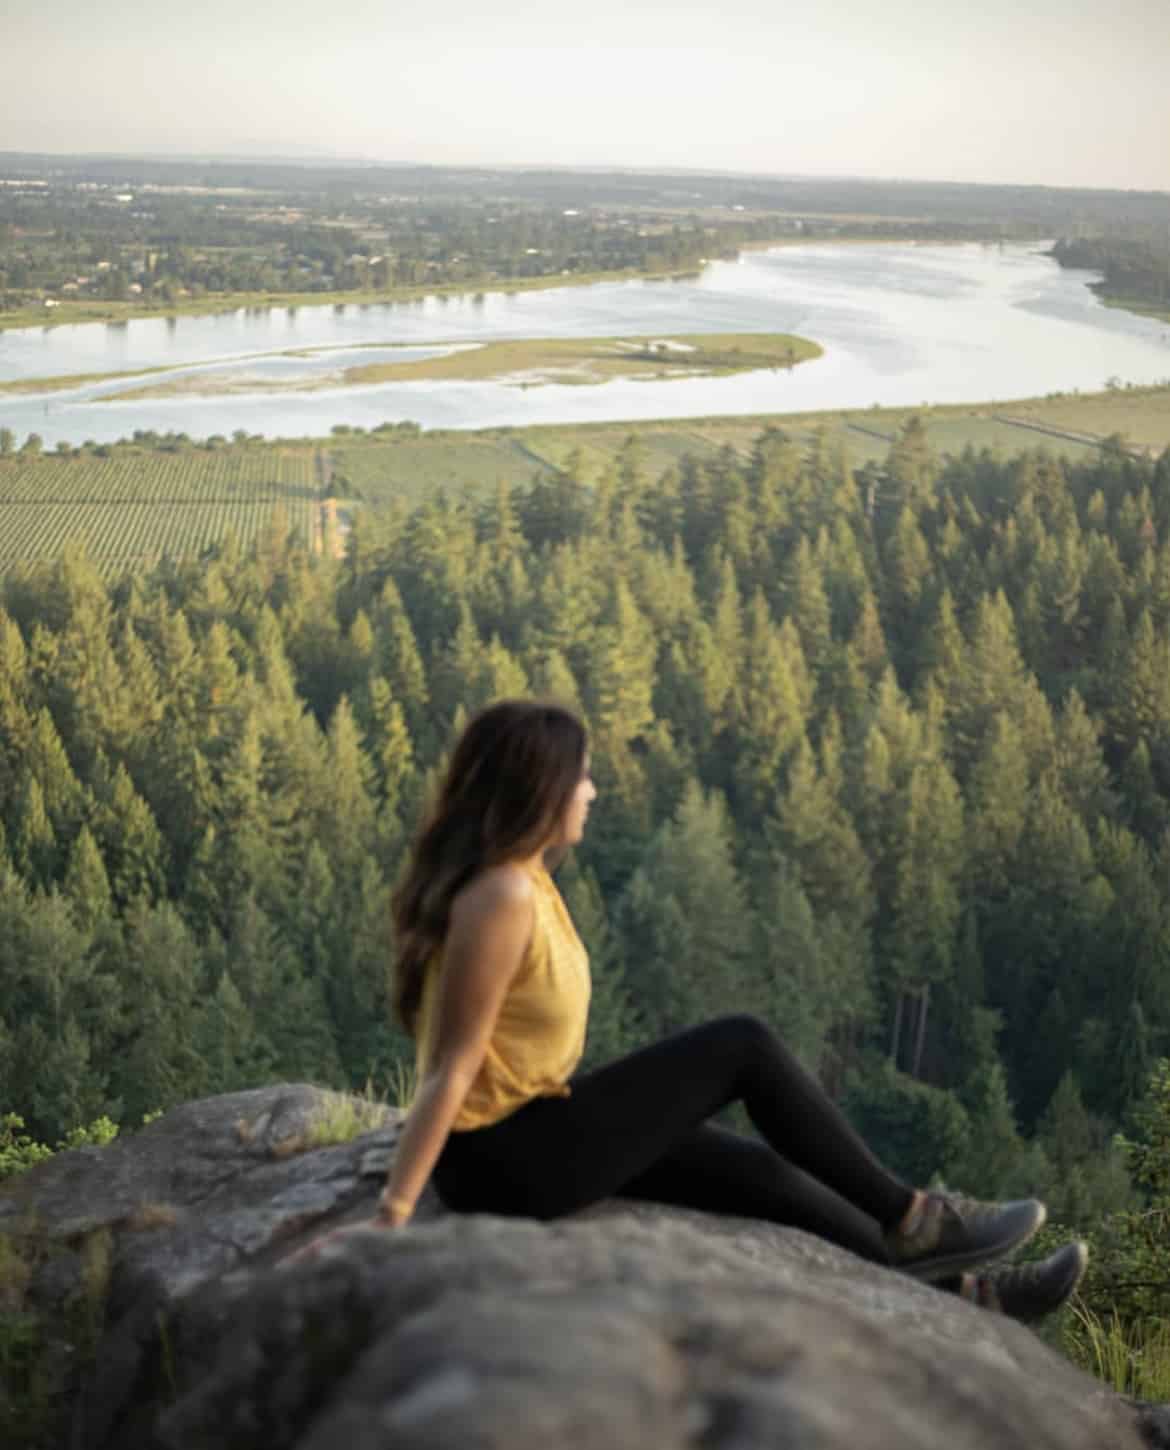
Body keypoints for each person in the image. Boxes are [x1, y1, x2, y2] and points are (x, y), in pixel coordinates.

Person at [376, 698, 1087, 1322]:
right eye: (582, 777)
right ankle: (917, 1217)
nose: (592, 792)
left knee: (759, 1175)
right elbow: (452, 1068)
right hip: (503, 1163)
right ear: (542, 789)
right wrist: (392, 1216)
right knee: (741, 1045)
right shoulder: (499, 896)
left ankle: (970, 1294)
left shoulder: (525, 878)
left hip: (535, 1128)